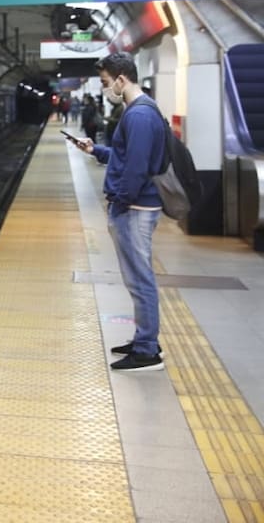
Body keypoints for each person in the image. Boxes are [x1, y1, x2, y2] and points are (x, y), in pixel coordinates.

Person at [70, 53, 167, 371]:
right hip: (134, 206)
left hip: (135, 208)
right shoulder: (140, 111)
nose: (105, 88)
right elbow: (127, 157)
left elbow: (136, 167)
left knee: (140, 279)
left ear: (121, 79)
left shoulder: (139, 115)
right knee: (136, 278)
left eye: (106, 82)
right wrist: (96, 150)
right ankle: (143, 339)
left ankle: (147, 350)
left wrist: (120, 201)